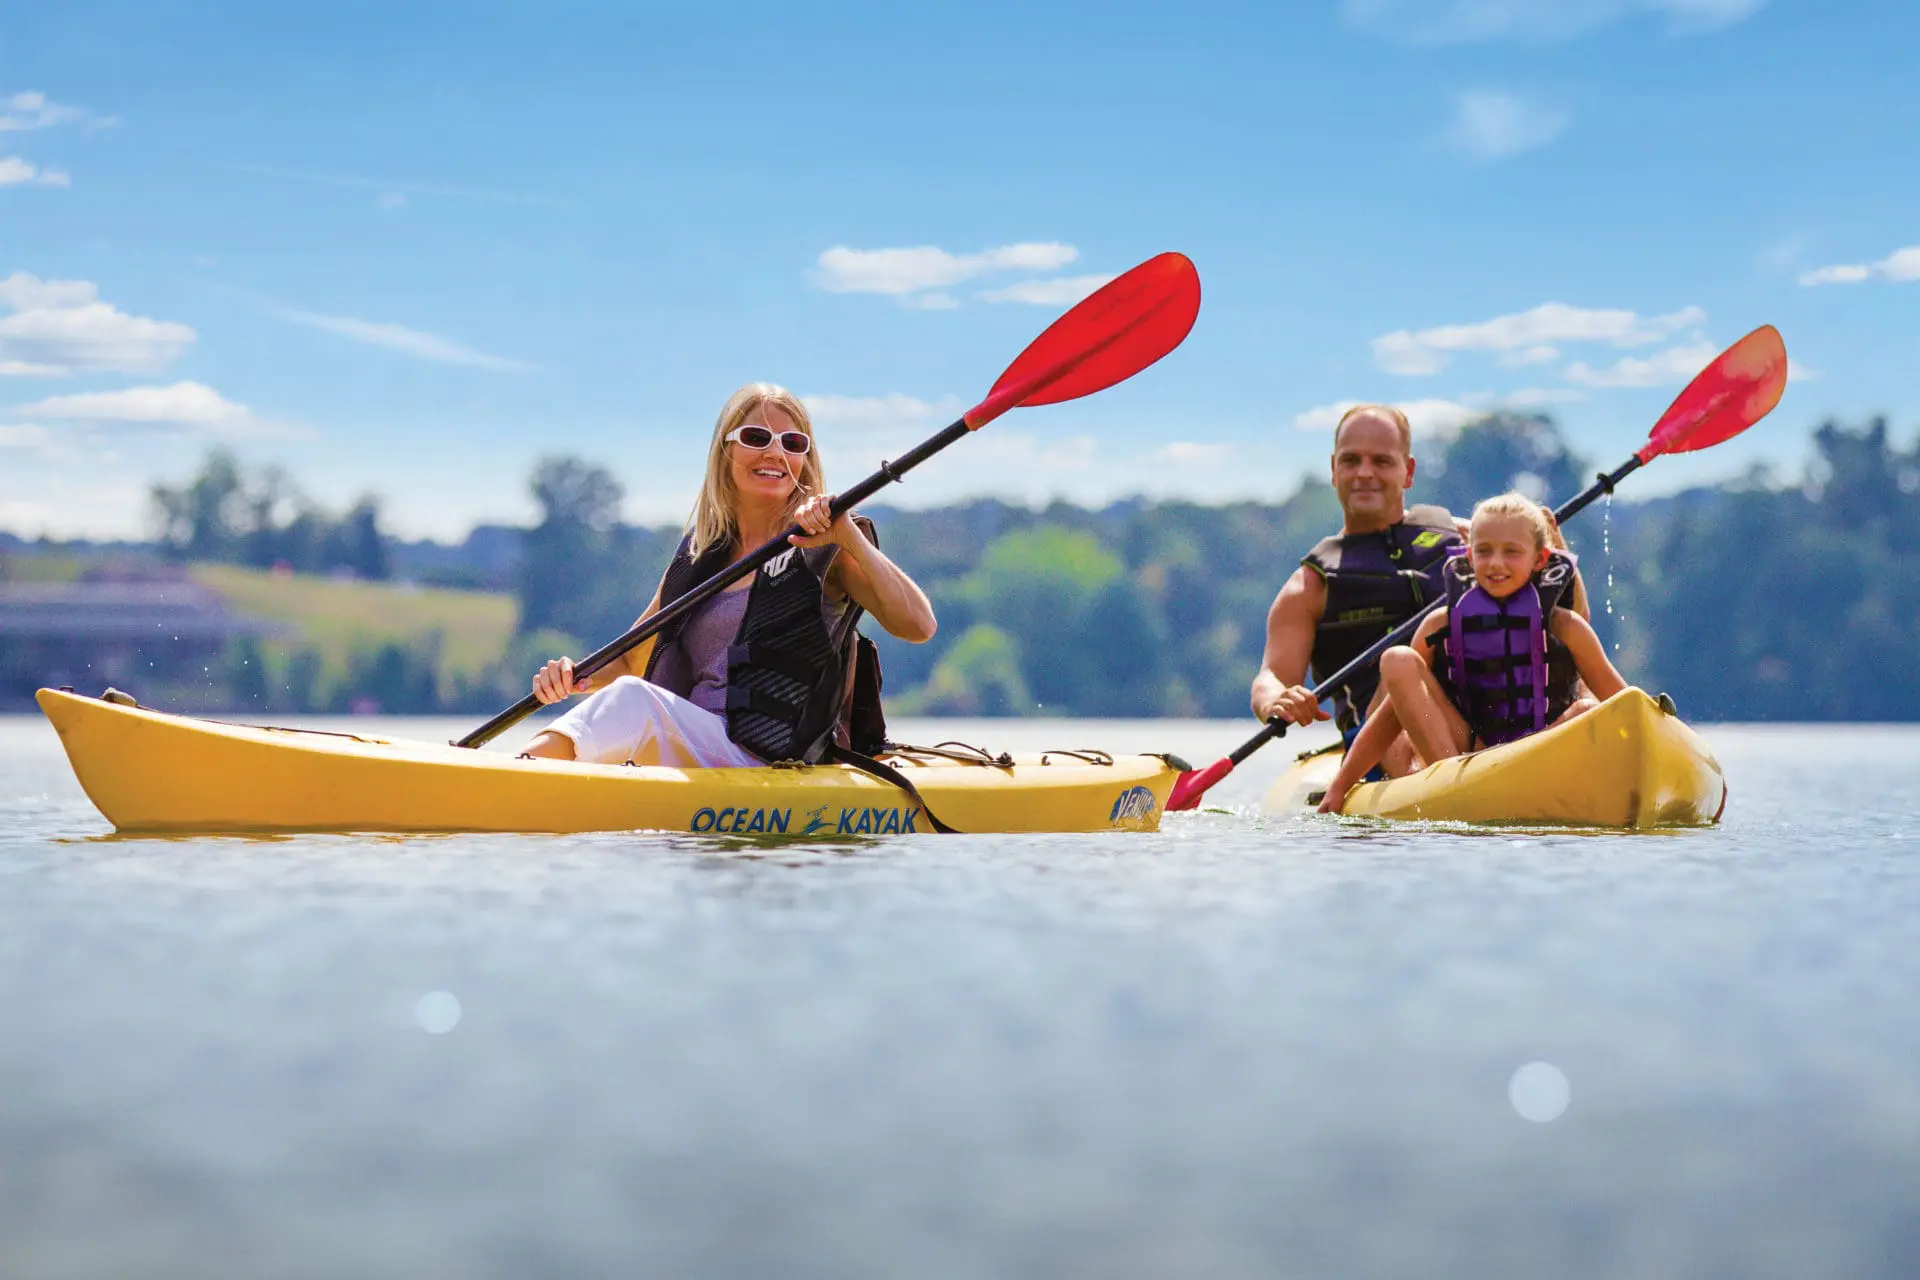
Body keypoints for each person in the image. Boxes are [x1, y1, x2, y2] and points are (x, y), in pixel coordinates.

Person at [520, 383, 937, 768]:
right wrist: (573, 677)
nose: (775, 453)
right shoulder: (701, 555)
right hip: (697, 749)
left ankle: (521, 775)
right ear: (726, 452)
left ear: (805, 461)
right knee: (631, 699)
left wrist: (849, 536)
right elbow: (631, 659)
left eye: (792, 443)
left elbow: (919, 626)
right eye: (757, 438)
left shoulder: (828, 546)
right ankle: (521, 773)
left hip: (769, 759)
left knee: (634, 701)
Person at [1315, 493, 1625, 813]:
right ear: (1469, 555)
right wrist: (1341, 786)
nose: (1496, 563)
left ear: (1539, 559)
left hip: (1538, 749)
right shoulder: (1441, 624)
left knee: (1588, 708)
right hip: (1467, 753)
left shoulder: (1566, 626)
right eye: (1484, 551)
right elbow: (1390, 713)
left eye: (1512, 552)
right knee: (1398, 659)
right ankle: (1456, 788)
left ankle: (1479, 791)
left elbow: (1622, 700)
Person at [1249, 404, 1466, 775]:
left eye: (1381, 461)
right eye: (1351, 461)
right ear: (1334, 470)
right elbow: (1271, 677)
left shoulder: (1464, 537)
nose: (1365, 473)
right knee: (1399, 677)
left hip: (1476, 716)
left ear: (1408, 472)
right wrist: (1276, 700)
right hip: (1382, 745)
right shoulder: (1310, 586)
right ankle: (1445, 780)